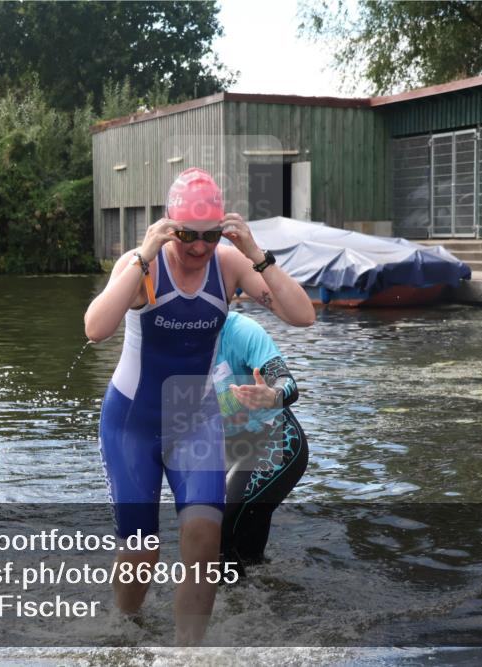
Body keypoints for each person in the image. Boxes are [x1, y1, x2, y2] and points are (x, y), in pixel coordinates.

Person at [84, 168, 315, 644]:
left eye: (209, 236)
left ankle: (188, 653)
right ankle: (123, 632)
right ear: (170, 226)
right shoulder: (141, 264)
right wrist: (143, 256)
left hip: (193, 415)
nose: (198, 248)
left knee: (205, 538)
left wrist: (256, 253)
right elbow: (95, 328)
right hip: (133, 419)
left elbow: (302, 315)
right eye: (188, 235)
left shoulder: (229, 264)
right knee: (141, 550)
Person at [214, 311, 309, 574]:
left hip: (276, 441)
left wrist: (272, 395)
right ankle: (261, 601)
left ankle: (229, 613)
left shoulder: (238, 329)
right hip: (229, 451)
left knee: (217, 529)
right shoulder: (169, 337)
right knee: (247, 555)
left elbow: (287, 382)